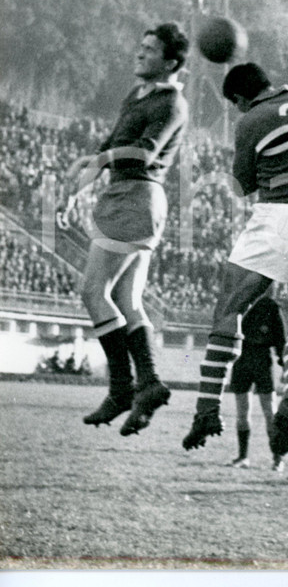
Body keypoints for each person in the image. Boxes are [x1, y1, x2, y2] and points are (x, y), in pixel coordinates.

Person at [182, 62, 288, 456]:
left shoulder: (251, 119)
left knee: (229, 307)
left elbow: (243, 186)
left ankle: (208, 408)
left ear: (241, 99)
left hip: (279, 213)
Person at [57, 23, 189, 436]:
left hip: (137, 196)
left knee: (93, 292)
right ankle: (147, 384)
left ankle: (122, 388)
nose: (140, 53)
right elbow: (105, 152)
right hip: (127, 196)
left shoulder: (171, 104)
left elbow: (145, 153)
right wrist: (75, 193)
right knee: (126, 299)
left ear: (170, 62)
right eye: (142, 46)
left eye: (150, 50)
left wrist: (99, 161)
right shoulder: (136, 96)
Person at [228, 295, 286, 472]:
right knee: (242, 411)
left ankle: (277, 458)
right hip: (241, 359)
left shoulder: (270, 306)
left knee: (270, 411)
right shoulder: (239, 301)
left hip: (262, 359)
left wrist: (284, 364)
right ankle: (243, 456)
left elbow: (280, 338)